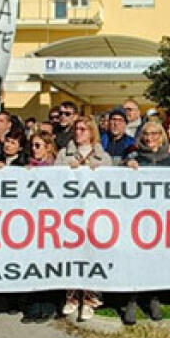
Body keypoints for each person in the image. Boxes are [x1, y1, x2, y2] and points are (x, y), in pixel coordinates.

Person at [121, 120, 170, 323]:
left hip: (161, 219)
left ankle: (154, 298)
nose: (150, 137)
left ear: (162, 135)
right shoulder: (133, 157)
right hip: (136, 219)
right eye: (146, 134)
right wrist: (125, 167)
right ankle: (132, 298)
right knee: (135, 258)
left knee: (157, 259)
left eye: (155, 133)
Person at [56, 115, 110, 320]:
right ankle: (71, 296)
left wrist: (98, 173)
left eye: (83, 129)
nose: (78, 133)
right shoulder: (64, 154)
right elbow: (53, 181)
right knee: (71, 255)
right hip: (70, 214)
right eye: (76, 129)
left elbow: (110, 185)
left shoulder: (102, 157)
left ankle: (90, 299)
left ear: (91, 132)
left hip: (93, 213)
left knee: (92, 255)